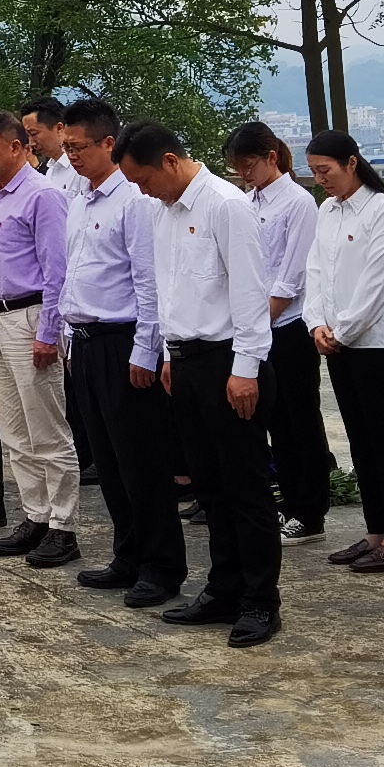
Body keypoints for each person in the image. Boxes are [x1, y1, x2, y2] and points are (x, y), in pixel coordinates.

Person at [130, 125, 280, 645]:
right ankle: (223, 588)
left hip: (229, 362)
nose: (143, 190)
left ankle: (261, 601)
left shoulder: (225, 205)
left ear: (170, 161)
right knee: (208, 487)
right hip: (187, 362)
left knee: (246, 487)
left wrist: (245, 369)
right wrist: (169, 352)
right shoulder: (161, 210)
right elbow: (167, 286)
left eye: (145, 179)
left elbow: (249, 293)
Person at [38, 99, 160, 590]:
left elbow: (148, 284)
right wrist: (66, 334)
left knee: (138, 461)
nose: (73, 156)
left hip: (122, 340)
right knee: (106, 461)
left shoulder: (135, 201)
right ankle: (126, 554)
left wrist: (146, 351)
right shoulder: (78, 201)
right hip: (84, 341)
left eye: (79, 147)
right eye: (66, 148)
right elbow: (71, 276)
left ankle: (158, 563)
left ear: (109, 143)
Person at [302, 132, 384, 571]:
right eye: (313, 172)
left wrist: (343, 330)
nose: (320, 180)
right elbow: (314, 271)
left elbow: (378, 280)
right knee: (360, 439)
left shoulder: (382, 209)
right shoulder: (327, 210)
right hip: (337, 341)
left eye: (325, 171)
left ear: (352, 163)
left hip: (377, 343)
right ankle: (374, 532)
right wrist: (316, 323)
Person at [0, 109, 73, 547]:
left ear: (16, 146)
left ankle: (63, 525)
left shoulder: (42, 195)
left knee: (46, 426)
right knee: (13, 428)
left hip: (30, 316)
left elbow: (56, 270)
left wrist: (49, 332)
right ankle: (36, 514)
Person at [227, 123, 332, 543]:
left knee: (298, 421)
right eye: (237, 168)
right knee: (269, 420)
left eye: (248, 165)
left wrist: (255, 324)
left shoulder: (298, 203)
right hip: (255, 328)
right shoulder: (245, 202)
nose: (243, 174)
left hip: (285, 328)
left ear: (271, 157)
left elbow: (290, 280)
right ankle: (285, 501)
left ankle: (309, 510)